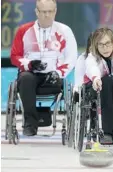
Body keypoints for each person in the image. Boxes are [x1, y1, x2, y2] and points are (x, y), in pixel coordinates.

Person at [10, 0, 78, 136]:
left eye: (50, 11)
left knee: (52, 80)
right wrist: (29, 64)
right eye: (43, 12)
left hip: (53, 77)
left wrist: (58, 73)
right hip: (31, 75)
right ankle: (30, 124)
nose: (47, 15)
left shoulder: (65, 31)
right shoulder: (24, 30)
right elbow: (14, 56)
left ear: (55, 11)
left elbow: (72, 57)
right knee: (25, 78)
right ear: (37, 12)